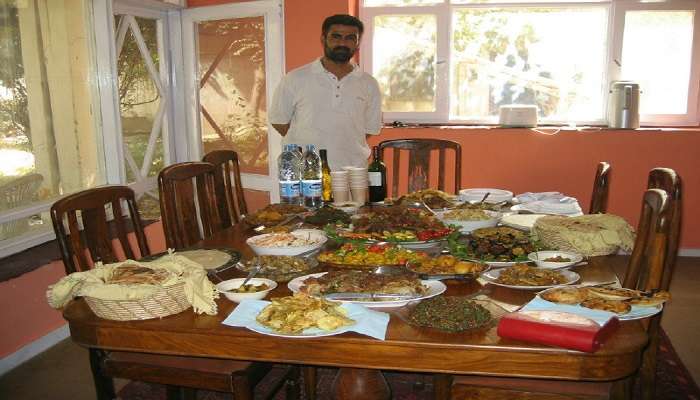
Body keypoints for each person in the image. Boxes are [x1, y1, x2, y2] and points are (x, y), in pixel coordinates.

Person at [269, 14, 381, 171]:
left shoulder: (369, 84)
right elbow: (278, 120)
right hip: (305, 172)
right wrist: (306, 140)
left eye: (350, 38)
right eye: (336, 37)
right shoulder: (295, 78)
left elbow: (370, 129)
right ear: (323, 39)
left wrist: (342, 142)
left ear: (357, 43)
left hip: (353, 172)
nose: (342, 43)